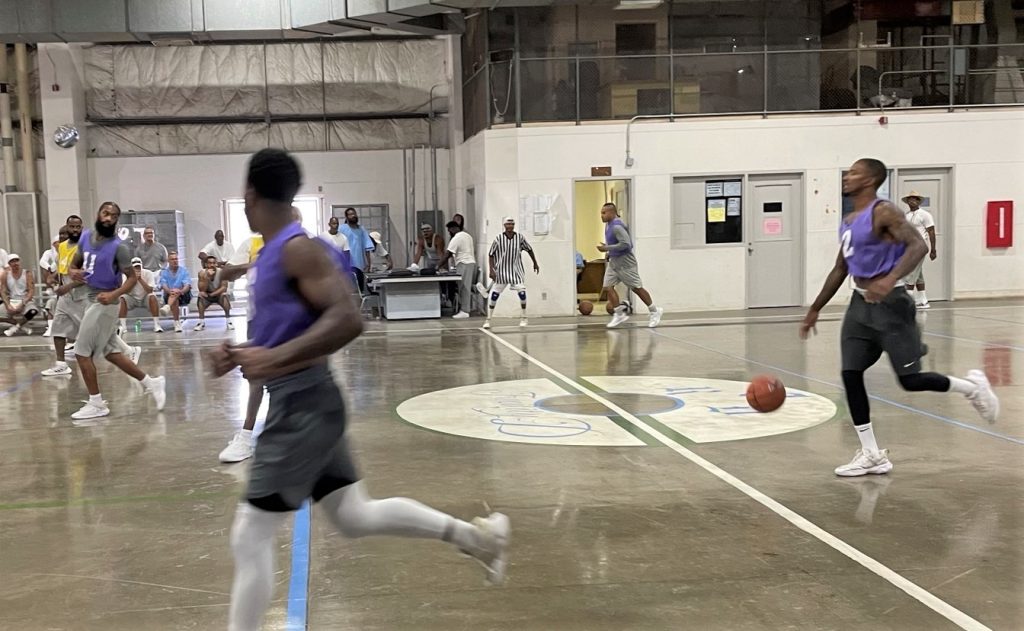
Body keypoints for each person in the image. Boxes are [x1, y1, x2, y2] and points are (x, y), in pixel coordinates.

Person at [210, 149, 509, 631]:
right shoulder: (273, 254)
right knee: (354, 516)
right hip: (310, 403)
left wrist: (274, 359)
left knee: (249, 536)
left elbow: (349, 319)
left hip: (303, 406)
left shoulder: (296, 249)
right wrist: (242, 353)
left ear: (249, 196)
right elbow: (288, 330)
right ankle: (478, 539)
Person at [799, 158, 999, 477]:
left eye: (854, 172)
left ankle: (972, 388)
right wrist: (815, 309)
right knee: (851, 374)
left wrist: (890, 278)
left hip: (891, 305)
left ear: (870, 180)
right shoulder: (850, 219)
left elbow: (918, 245)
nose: (847, 177)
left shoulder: (885, 211)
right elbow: (841, 268)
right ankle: (871, 454)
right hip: (859, 307)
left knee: (910, 381)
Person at [67, 202, 166, 420]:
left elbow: (132, 277)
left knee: (81, 352)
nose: (108, 218)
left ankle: (97, 403)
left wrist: (114, 295)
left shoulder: (119, 248)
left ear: (117, 220)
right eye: (105, 213)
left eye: (113, 215)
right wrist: (74, 272)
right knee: (111, 353)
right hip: (90, 297)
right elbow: (74, 264)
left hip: (105, 302)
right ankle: (152, 383)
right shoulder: (86, 237)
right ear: (98, 214)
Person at [217, 232, 265, 463]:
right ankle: (246, 436)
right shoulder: (252, 243)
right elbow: (226, 272)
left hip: (290, 320)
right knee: (255, 378)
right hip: (257, 319)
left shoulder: (299, 242)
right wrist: (252, 264)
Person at [599, 203, 663, 329]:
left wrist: (607, 248)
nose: (601, 216)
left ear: (612, 213)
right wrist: (609, 252)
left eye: (604, 213)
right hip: (614, 261)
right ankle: (619, 314)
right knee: (608, 286)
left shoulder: (617, 226)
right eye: (601, 213)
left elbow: (627, 244)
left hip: (625, 262)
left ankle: (655, 311)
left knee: (636, 288)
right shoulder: (608, 225)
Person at [482, 217, 539, 329]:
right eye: (508, 224)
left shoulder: (519, 238)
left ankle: (524, 317)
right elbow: (491, 254)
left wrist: (535, 263)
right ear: (504, 226)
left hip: (516, 270)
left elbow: (529, 249)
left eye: (512, 224)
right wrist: (491, 270)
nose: (510, 226)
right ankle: (488, 319)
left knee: (522, 293)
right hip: (501, 272)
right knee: (494, 295)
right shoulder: (498, 239)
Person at [900, 191, 936, 309]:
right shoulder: (907, 215)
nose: (912, 201)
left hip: (920, 246)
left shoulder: (925, 215)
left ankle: (907, 302)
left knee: (910, 273)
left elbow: (931, 231)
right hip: (910, 246)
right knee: (918, 274)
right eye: (910, 199)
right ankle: (923, 300)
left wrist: (933, 249)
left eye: (915, 199)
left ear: (918, 201)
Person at [436, 221, 476, 319]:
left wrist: (437, 266)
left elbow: (448, 254)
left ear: (454, 228)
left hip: (464, 263)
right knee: (464, 286)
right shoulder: (468, 236)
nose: (449, 233)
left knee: (464, 287)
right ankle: (465, 307)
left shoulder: (457, 237)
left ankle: (465, 311)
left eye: (449, 231)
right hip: (470, 263)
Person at [118, 256, 163, 333]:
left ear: (141, 266)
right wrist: (132, 280)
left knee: (152, 296)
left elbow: (150, 290)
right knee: (122, 298)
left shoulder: (148, 273)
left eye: (138, 267)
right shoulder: (126, 275)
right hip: (131, 298)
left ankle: (157, 325)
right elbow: (124, 291)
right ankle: (123, 326)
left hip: (145, 297)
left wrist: (140, 279)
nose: (137, 269)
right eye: (135, 267)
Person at [0, 254, 40, 336]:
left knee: (33, 311)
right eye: (12, 261)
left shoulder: (27, 273)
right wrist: (7, 305)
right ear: (9, 263)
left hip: (25, 299)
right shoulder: (5, 274)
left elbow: (31, 290)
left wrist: (23, 303)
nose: (15, 263)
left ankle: (16, 327)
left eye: (16, 260)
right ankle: (21, 326)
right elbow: (3, 291)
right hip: (12, 299)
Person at [195, 255, 233, 331]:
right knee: (200, 296)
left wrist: (212, 295)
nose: (211, 265)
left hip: (218, 294)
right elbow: (201, 289)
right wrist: (207, 277)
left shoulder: (222, 272)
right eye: (209, 263)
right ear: (205, 265)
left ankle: (229, 321)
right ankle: (201, 322)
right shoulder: (202, 273)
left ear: (216, 264)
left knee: (224, 295)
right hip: (207, 294)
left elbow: (224, 288)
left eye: (213, 263)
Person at [339, 207, 374, 291]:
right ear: (347, 217)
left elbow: (367, 247)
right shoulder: (342, 228)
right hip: (346, 265)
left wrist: (369, 264)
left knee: (359, 290)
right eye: (350, 214)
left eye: (354, 213)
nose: (353, 215)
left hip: (359, 265)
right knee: (347, 291)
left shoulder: (361, 229)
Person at [159, 251, 192, 333]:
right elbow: (164, 285)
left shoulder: (184, 271)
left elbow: (187, 285)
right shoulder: (164, 272)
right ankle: (177, 323)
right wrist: (170, 291)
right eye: (172, 259)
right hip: (170, 294)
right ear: (168, 261)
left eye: (176, 259)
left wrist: (180, 291)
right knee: (175, 299)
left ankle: (168, 307)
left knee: (176, 292)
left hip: (184, 295)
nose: (175, 261)